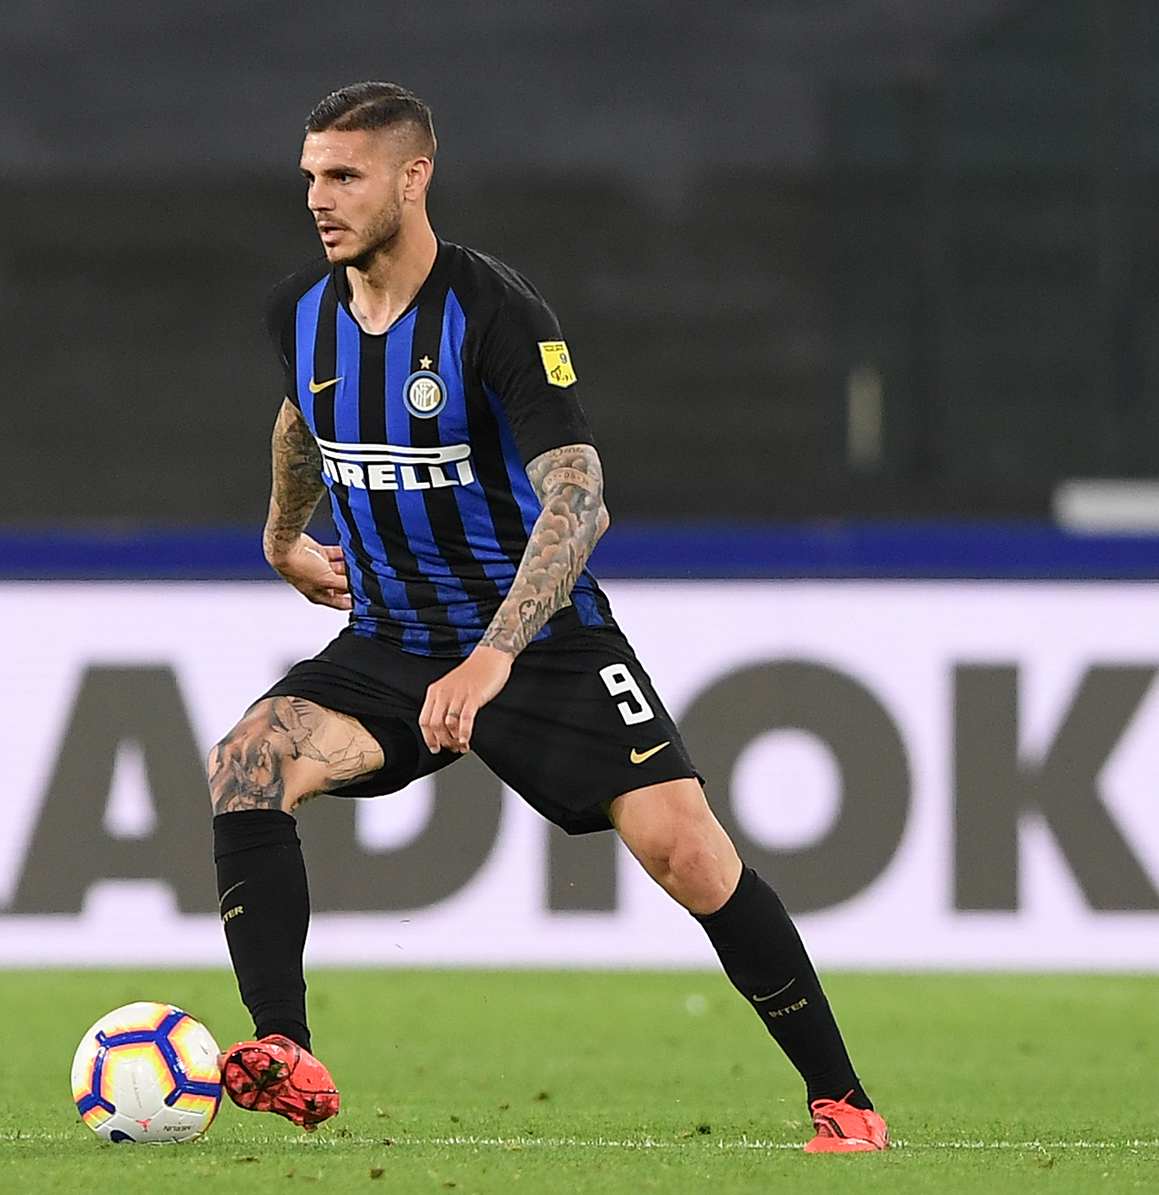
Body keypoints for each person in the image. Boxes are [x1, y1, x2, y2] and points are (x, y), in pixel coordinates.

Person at [205, 82, 890, 1153]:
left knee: (687, 852)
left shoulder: (495, 313)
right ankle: (284, 1045)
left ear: (414, 177)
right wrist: (282, 534)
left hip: (540, 643)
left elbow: (580, 496)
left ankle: (843, 1102)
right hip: (392, 640)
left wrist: (493, 656)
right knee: (248, 760)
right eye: (310, 177)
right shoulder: (300, 310)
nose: (319, 200)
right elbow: (301, 415)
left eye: (344, 176)